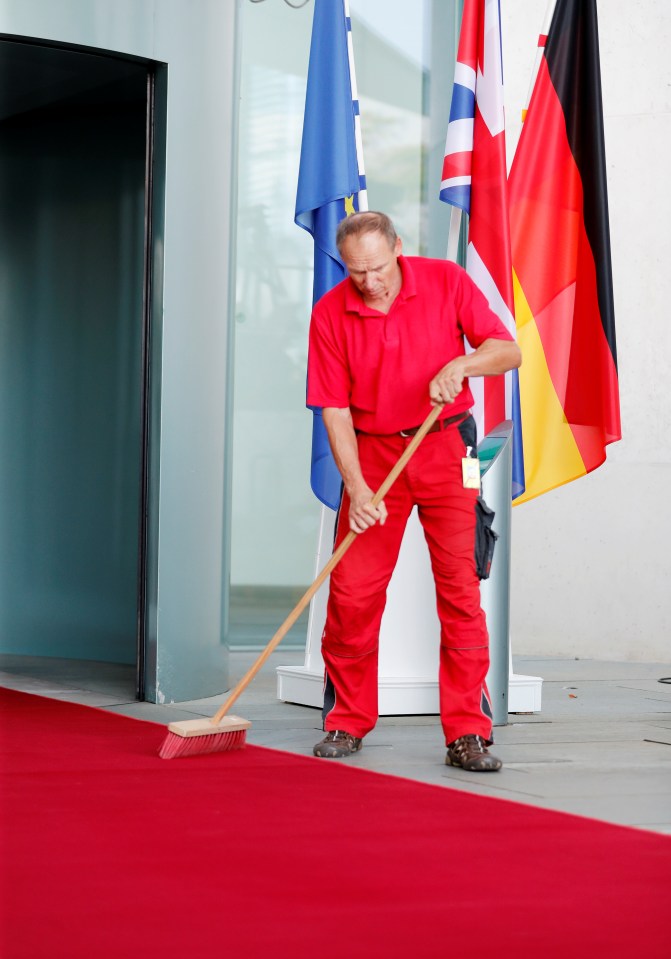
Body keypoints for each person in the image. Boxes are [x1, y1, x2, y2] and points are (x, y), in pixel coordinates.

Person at [307, 211, 521, 771]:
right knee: (352, 594)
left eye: (377, 268)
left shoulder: (446, 282)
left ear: (398, 249)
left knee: (460, 590)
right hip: (375, 457)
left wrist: (465, 362)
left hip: (451, 448)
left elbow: (508, 350)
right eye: (356, 273)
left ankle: (467, 732)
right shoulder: (330, 314)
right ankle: (347, 721)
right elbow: (334, 409)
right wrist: (356, 488)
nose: (370, 282)